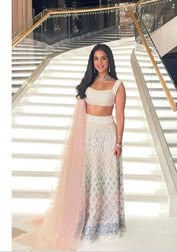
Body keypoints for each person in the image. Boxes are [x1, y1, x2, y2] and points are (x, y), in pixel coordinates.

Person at [14, 43, 126, 250]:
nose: (100, 62)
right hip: (87, 132)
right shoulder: (87, 83)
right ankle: (83, 218)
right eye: (96, 59)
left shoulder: (118, 85)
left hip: (107, 133)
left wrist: (119, 141)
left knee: (106, 176)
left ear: (109, 60)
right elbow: (80, 113)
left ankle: (103, 222)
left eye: (103, 58)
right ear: (92, 62)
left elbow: (119, 114)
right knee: (87, 177)